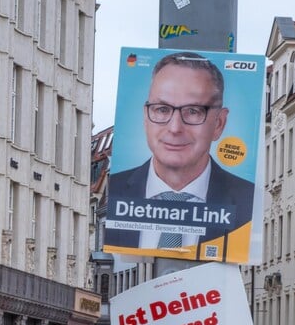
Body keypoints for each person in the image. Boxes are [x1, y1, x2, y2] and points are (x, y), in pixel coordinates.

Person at [106, 51, 255, 252]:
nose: (175, 128)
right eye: (162, 109)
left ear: (219, 123)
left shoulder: (247, 200)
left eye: (193, 111)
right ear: (145, 116)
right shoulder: (117, 188)